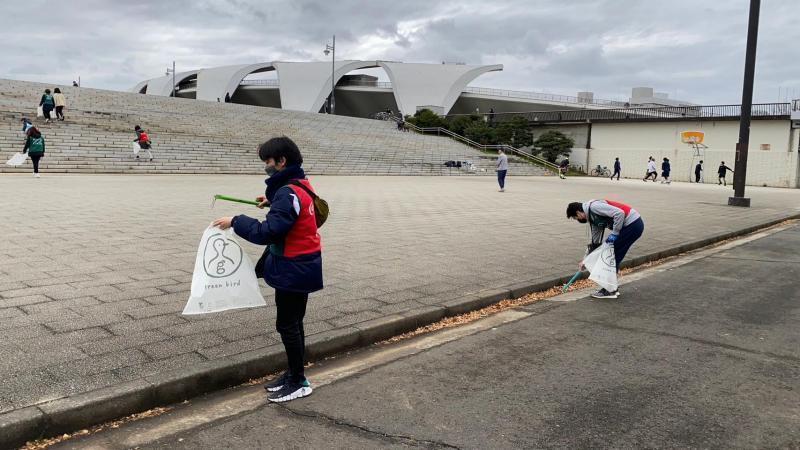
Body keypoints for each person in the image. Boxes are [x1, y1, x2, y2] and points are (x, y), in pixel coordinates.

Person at [212, 136, 323, 403]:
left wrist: (236, 221)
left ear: (281, 161)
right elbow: (292, 214)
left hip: (293, 268)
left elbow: (268, 232)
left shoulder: (287, 192)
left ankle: (298, 381)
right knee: (293, 323)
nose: (266, 167)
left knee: (288, 325)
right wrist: (273, 203)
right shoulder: (300, 186)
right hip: (302, 265)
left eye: (268, 162)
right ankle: (294, 373)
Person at [566, 199, 644, 299]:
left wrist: (615, 233)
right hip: (630, 226)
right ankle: (611, 288)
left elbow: (619, 213)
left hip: (632, 224)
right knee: (611, 256)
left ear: (578, 212)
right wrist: (585, 260)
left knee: (611, 257)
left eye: (575, 217)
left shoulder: (594, 207)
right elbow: (595, 243)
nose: (578, 220)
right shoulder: (593, 220)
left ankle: (610, 290)